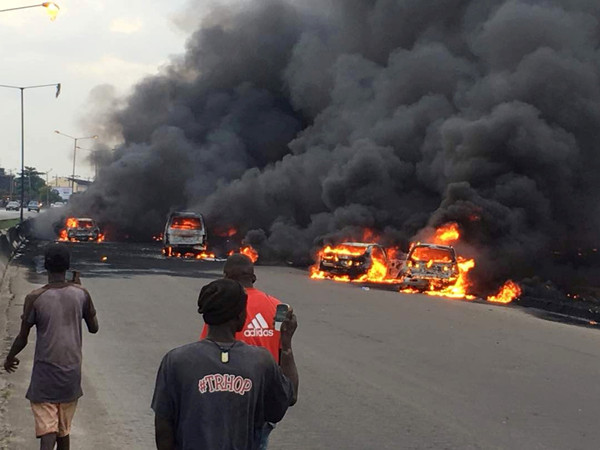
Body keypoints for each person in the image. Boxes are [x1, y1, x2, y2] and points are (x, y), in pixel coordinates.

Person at [152, 278, 298, 450]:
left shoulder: (176, 360)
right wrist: (286, 344)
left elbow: (163, 425)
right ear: (239, 315)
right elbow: (287, 399)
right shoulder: (260, 361)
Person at [3, 243, 99, 450]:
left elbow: (22, 337)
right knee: (63, 431)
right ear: (68, 266)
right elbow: (94, 328)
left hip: (45, 375)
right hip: (72, 375)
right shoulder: (81, 294)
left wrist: (9, 357)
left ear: (45, 265)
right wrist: (81, 292)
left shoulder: (35, 297)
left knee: (48, 431)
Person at [199, 254, 286, 448]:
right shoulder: (279, 308)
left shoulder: (224, 307)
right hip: (263, 396)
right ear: (253, 278)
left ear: (226, 277)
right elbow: (282, 348)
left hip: (229, 393)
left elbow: (207, 349)